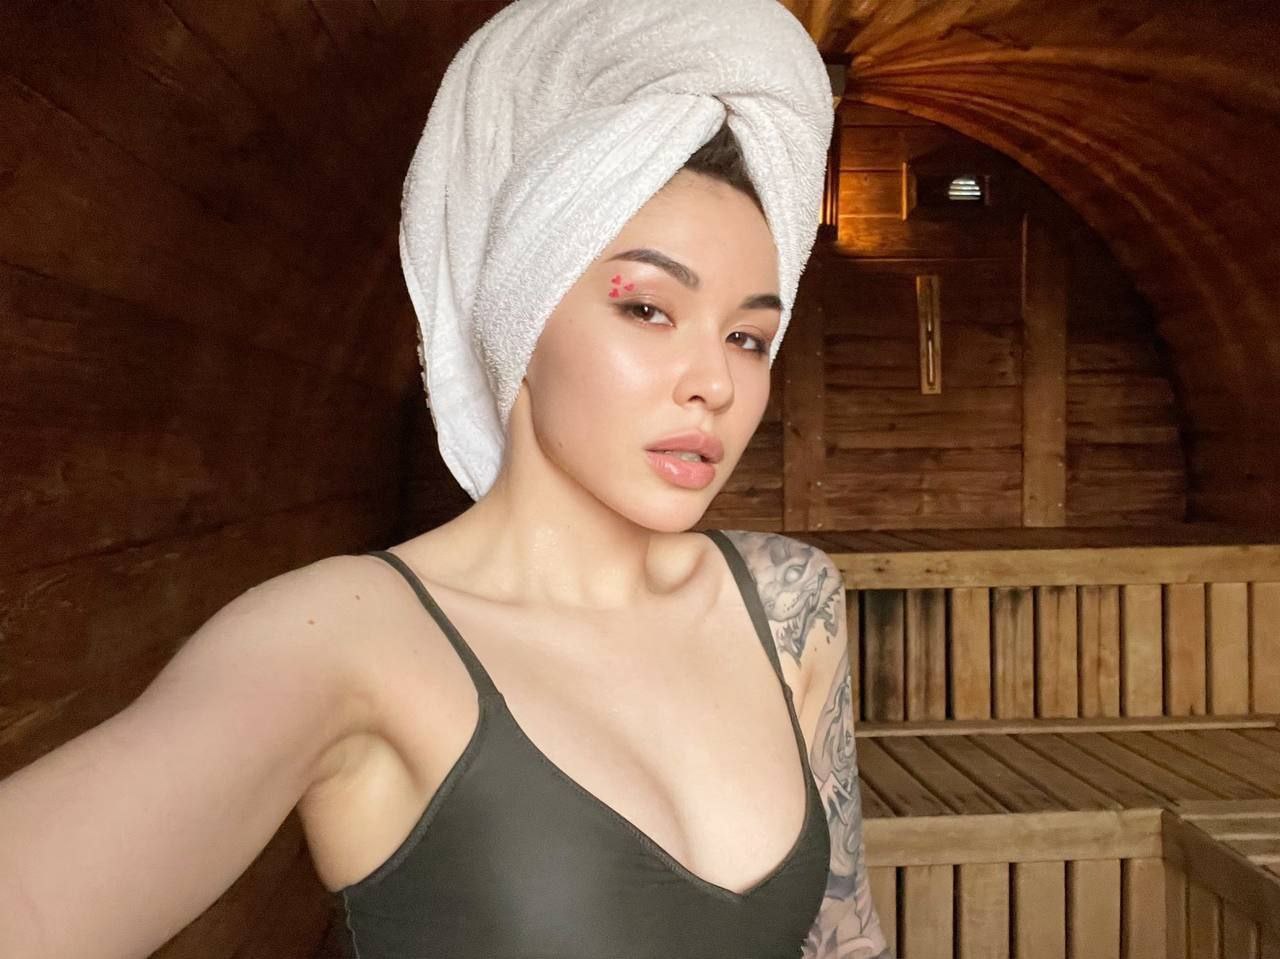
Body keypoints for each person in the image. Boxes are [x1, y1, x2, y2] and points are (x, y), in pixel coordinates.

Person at [0, 0, 892, 956]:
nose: (715, 381)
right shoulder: (346, 638)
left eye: (748, 336)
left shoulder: (789, 602)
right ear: (521, 313)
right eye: (647, 309)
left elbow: (847, 940)